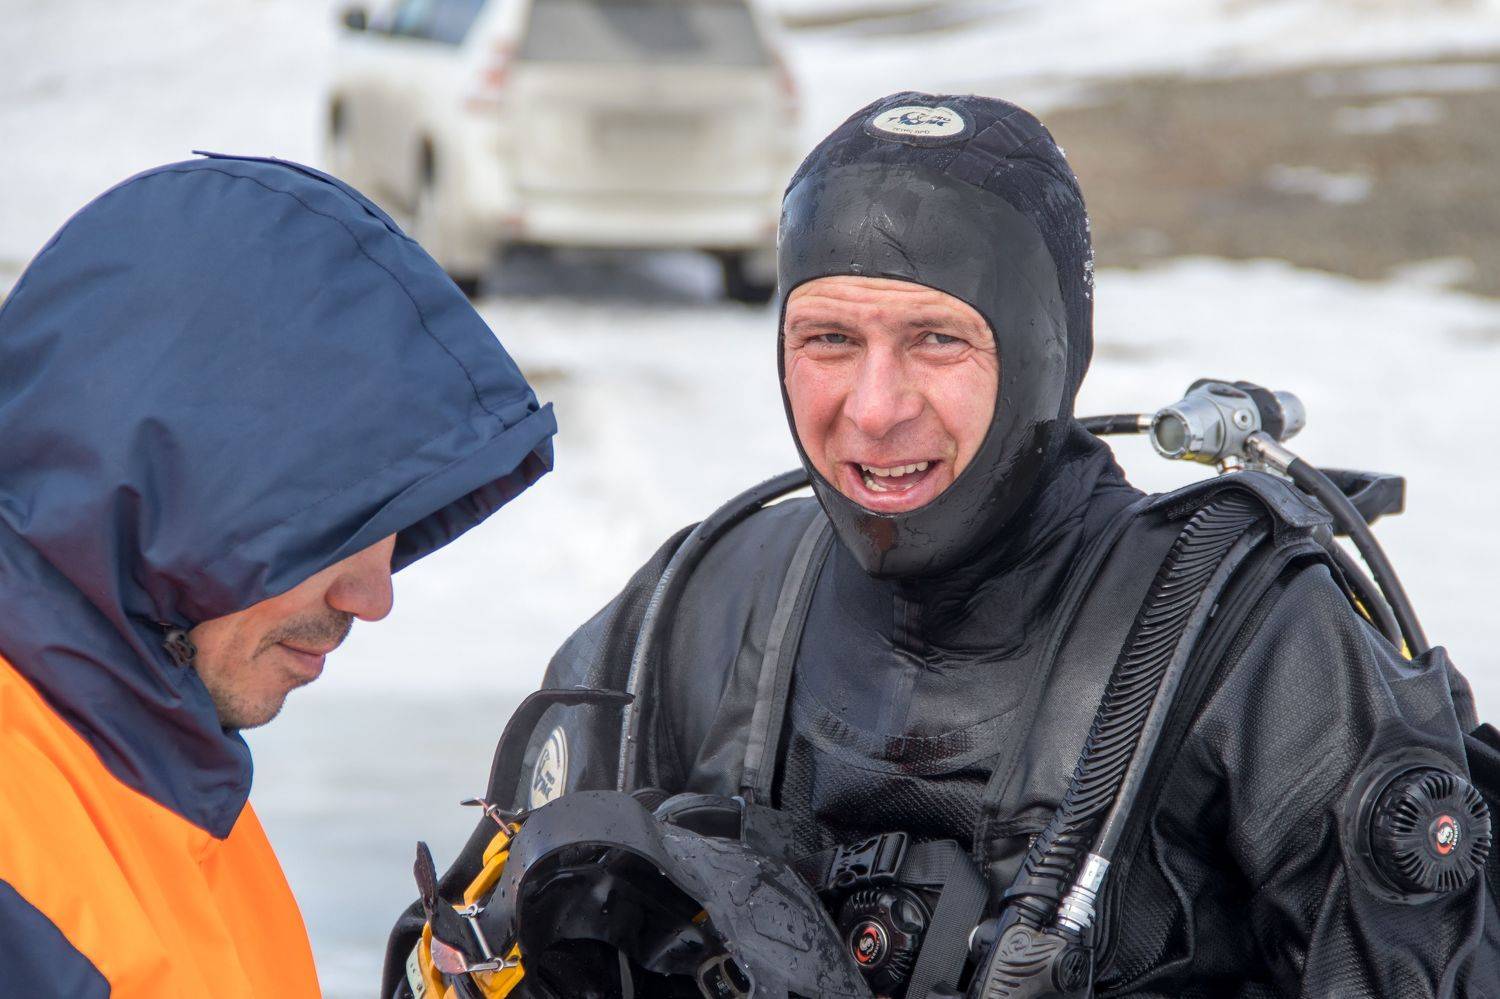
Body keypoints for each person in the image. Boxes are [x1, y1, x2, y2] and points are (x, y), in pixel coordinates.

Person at [499, 94, 1498, 996]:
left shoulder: (1249, 642)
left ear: (1044, 355)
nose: (874, 409)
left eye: (937, 340)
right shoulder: (699, 608)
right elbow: (473, 943)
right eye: (829, 339)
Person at [0, 154, 556, 997]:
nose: (374, 596)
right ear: (171, 489)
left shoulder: (163, 774)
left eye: (391, 529)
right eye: (335, 525)